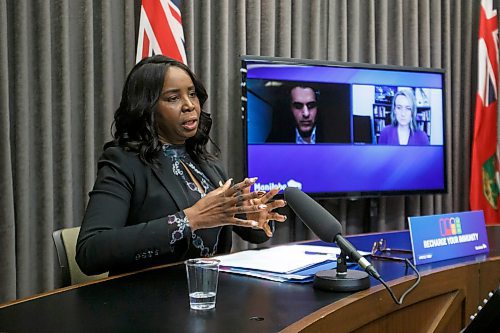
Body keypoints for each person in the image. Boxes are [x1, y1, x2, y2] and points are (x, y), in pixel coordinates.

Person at [76, 55, 287, 276]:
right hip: (147, 301)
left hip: (210, 295)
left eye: (192, 94)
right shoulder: (123, 162)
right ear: (147, 107)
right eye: (173, 98)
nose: (189, 105)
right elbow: (90, 252)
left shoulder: (209, 163)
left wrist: (253, 219)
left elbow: (237, 230)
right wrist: (188, 220)